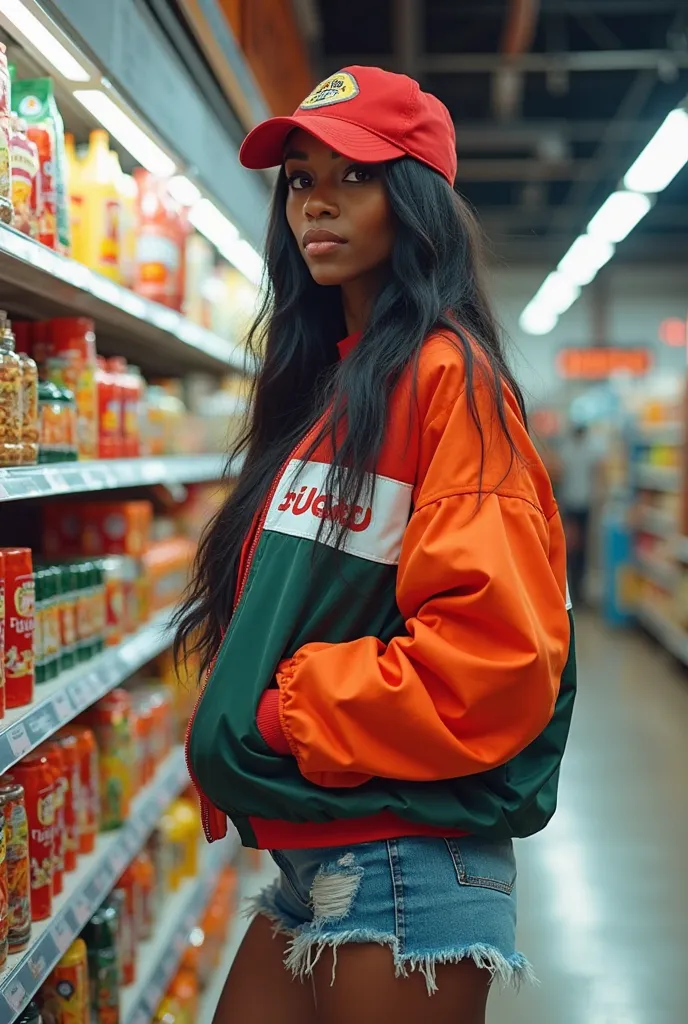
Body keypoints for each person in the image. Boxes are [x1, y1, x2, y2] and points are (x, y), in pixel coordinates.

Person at [174, 66, 576, 1024]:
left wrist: (280, 715)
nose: (317, 201)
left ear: (415, 200)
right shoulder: (332, 385)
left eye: (353, 175)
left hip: (408, 856)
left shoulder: (448, 381)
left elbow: (493, 659)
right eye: (301, 178)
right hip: (320, 850)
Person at [558, 422, 601, 604]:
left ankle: (575, 589)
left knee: (575, 550)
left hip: (577, 506)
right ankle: (575, 590)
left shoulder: (567, 449)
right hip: (577, 506)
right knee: (577, 550)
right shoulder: (586, 449)